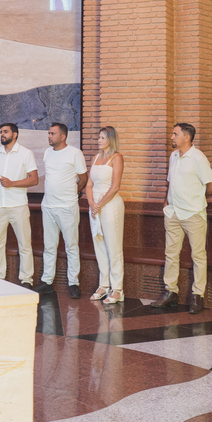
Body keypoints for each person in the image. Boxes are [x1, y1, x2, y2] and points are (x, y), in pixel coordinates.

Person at [154, 123, 212, 315]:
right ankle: (171, 291)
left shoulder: (198, 157)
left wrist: (195, 197)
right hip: (173, 212)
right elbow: (170, 182)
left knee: (198, 256)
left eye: (175, 134)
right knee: (171, 254)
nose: (171, 137)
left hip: (193, 213)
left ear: (187, 137)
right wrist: (166, 202)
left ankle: (198, 295)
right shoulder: (173, 156)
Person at [36, 123, 88, 297]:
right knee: (49, 246)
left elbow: (83, 178)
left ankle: (73, 283)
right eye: (49, 133)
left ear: (63, 136)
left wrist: (73, 193)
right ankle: (47, 281)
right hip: (48, 206)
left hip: (67, 207)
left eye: (52, 133)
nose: (49, 136)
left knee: (71, 246)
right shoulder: (47, 153)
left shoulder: (75, 153)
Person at [0, 123, 39, 287]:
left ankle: (26, 279)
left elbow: (34, 179)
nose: (2, 134)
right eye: (1, 132)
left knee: (24, 244)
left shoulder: (25, 153)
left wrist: (12, 183)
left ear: (15, 134)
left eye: (5, 132)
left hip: (18, 206)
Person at [86, 126, 126, 305]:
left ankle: (117, 289)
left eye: (103, 138)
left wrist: (100, 204)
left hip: (110, 206)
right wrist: (92, 204)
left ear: (111, 139)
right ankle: (103, 285)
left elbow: (115, 186)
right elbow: (89, 184)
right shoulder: (95, 157)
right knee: (99, 244)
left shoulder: (116, 158)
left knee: (113, 246)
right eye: (99, 137)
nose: (99, 140)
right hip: (95, 206)